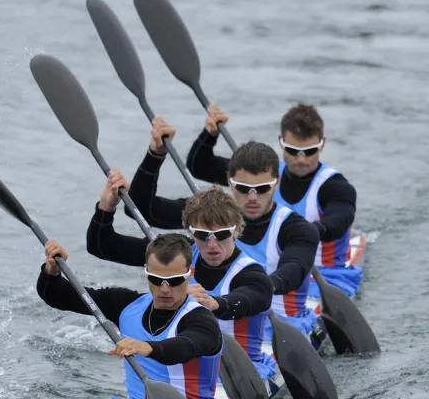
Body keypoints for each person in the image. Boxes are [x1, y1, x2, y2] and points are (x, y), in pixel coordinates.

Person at [123, 117, 320, 339]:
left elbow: (291, 274)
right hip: (205, 329)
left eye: (262, 188)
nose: (252, 197)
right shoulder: (205, 216)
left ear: (276, 183)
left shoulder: (298, 229)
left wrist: (258, 288)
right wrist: (155, 155)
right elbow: (139, 210)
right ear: (230, 181)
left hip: (275, 328)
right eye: (244, 188)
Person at [36, 234, 230, 399]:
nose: (165, 289)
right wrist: (52, 272)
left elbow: (186, 346)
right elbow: (59, 297)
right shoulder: (125, 304)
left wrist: (149, 347)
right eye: (156, 279)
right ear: (146, 271)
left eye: (174, 281)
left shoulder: (202, 320)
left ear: (189, 273)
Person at [87, 172, 278, 382]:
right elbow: (102, 247)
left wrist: (215, 303)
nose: (212, 244)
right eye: (202, 234)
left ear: (236, 231)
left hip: (240, 375)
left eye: (221, 234)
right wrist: (106, 208)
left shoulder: (253, 274)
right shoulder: (178, 255)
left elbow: (250, 298)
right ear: (190, 231)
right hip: (178, 370)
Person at [185, 102, 363, 298]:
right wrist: (209, 135)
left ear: (322, 144)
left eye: (310, 151)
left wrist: (312, 230)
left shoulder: (335, 186)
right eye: (293, 150)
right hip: (256, 277)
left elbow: (341, 219)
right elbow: (198, 167)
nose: (301, 159)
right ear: (281, 142)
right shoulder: (262, 175)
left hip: (322, 275)